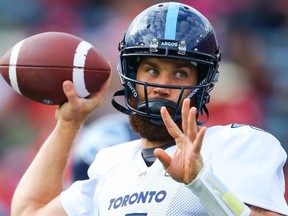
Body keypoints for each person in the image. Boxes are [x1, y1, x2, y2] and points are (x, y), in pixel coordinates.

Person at [11, 2, 288, 215]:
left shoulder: (238, 144)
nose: (162, 85)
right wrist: (68, 123)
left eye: (180, 74)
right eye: (152, 70)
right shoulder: (110, 163)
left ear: (201, 85)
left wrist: (202, 183)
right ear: (132, 75)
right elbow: (28, 211)